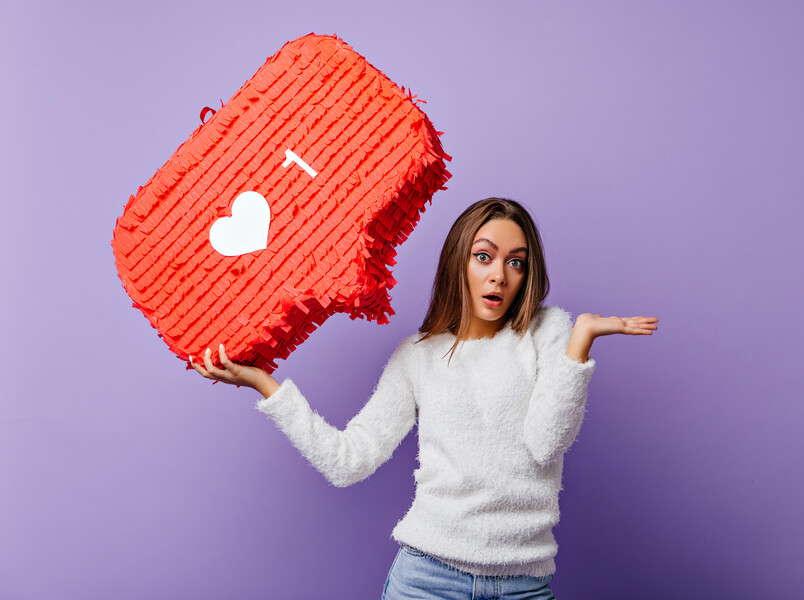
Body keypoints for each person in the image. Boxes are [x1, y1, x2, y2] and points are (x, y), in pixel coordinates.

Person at [191, 198, 658, 599]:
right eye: (484, 256)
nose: (499, 275)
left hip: (523, 582)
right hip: (428, 579)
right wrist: (264, 385)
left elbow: (545, 443)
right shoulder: (419, 355)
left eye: (515, 262)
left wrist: (580, 345)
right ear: (459, 260)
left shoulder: (547, 331)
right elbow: (348, 461)